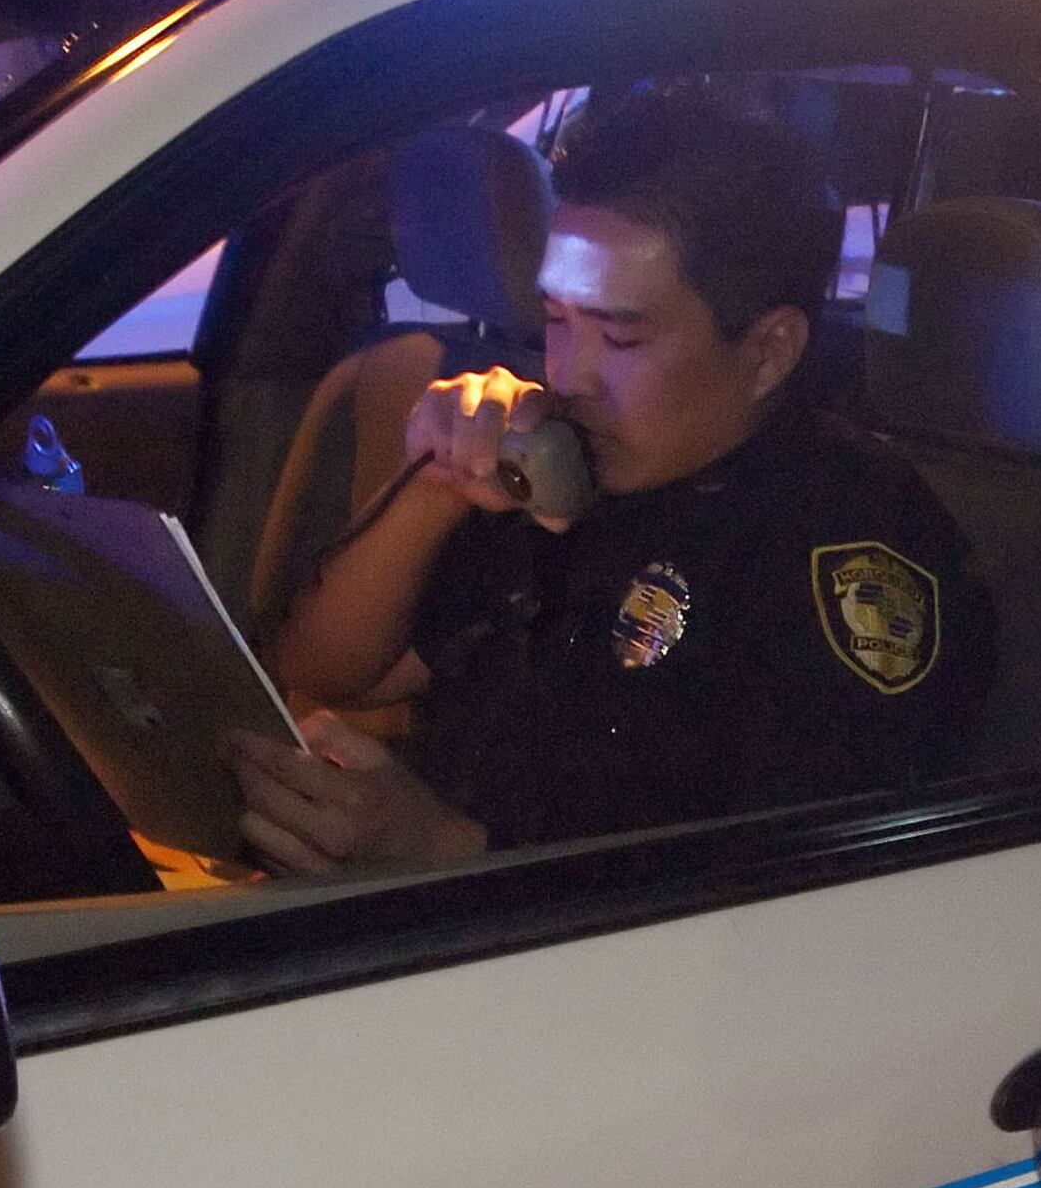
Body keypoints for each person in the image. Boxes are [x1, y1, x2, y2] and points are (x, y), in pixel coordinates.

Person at [232, 88, 987, 873]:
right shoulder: (567, 456)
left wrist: (443, 850)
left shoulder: (851, 552)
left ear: (768, 352)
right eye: (558, 321)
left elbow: (785, 900)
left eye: (621, 338)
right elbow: (328, 671)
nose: (569, 373)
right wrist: (440, 484)